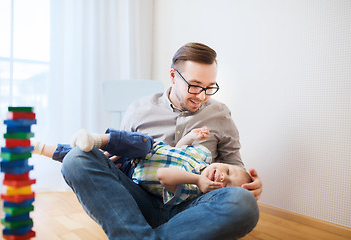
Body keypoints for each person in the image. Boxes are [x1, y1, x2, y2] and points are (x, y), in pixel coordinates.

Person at [60, 42, 262, 239]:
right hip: (138, 202)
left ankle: (134, 235)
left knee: (243, 202)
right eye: (195, 86)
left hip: (192, 208)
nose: (201, 96)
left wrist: (249, 185)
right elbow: (121, 159)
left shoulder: (221, 114)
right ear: (173, 76)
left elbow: (233, 163)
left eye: (210, 87)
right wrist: (109, 161)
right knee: (76, 158)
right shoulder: (139, 110)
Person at [32, 127, 252, 206]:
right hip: (146, 150)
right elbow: (178, 148)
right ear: (221, 162)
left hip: (130, 173)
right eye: (229, 172)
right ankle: (94, 138)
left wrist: (197, 180)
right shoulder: (203, 153)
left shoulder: (192, 191)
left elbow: (164, 175)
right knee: (143, 141)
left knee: (86, 157)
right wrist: (190, 137)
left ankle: (41, 148)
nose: (224, 178)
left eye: (228, 185)